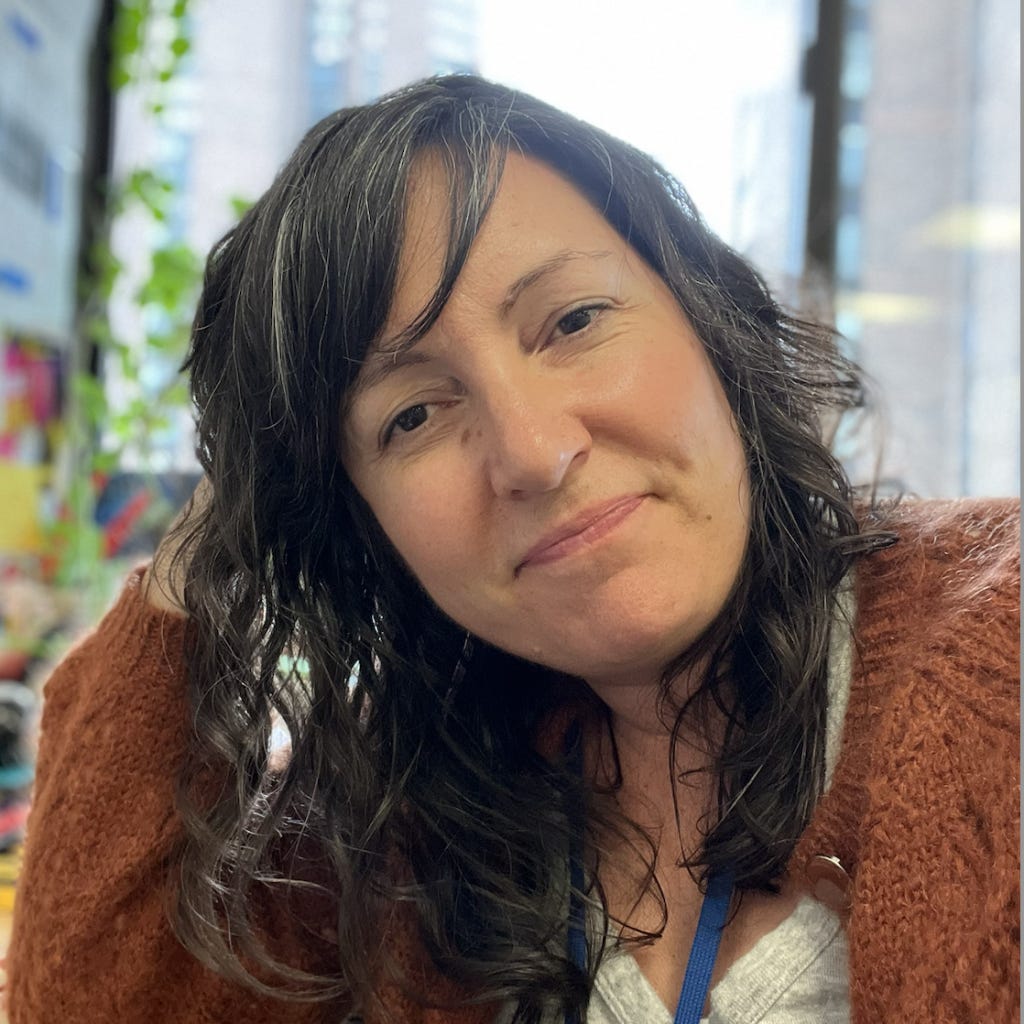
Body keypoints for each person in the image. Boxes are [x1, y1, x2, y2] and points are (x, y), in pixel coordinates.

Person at [6, 75, 1019, 1024]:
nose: (533, 451)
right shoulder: (398, 829)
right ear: (366, 528)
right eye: (412, 416)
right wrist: (228, 522)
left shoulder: (996, 644)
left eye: (573, 320)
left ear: (708, 320)